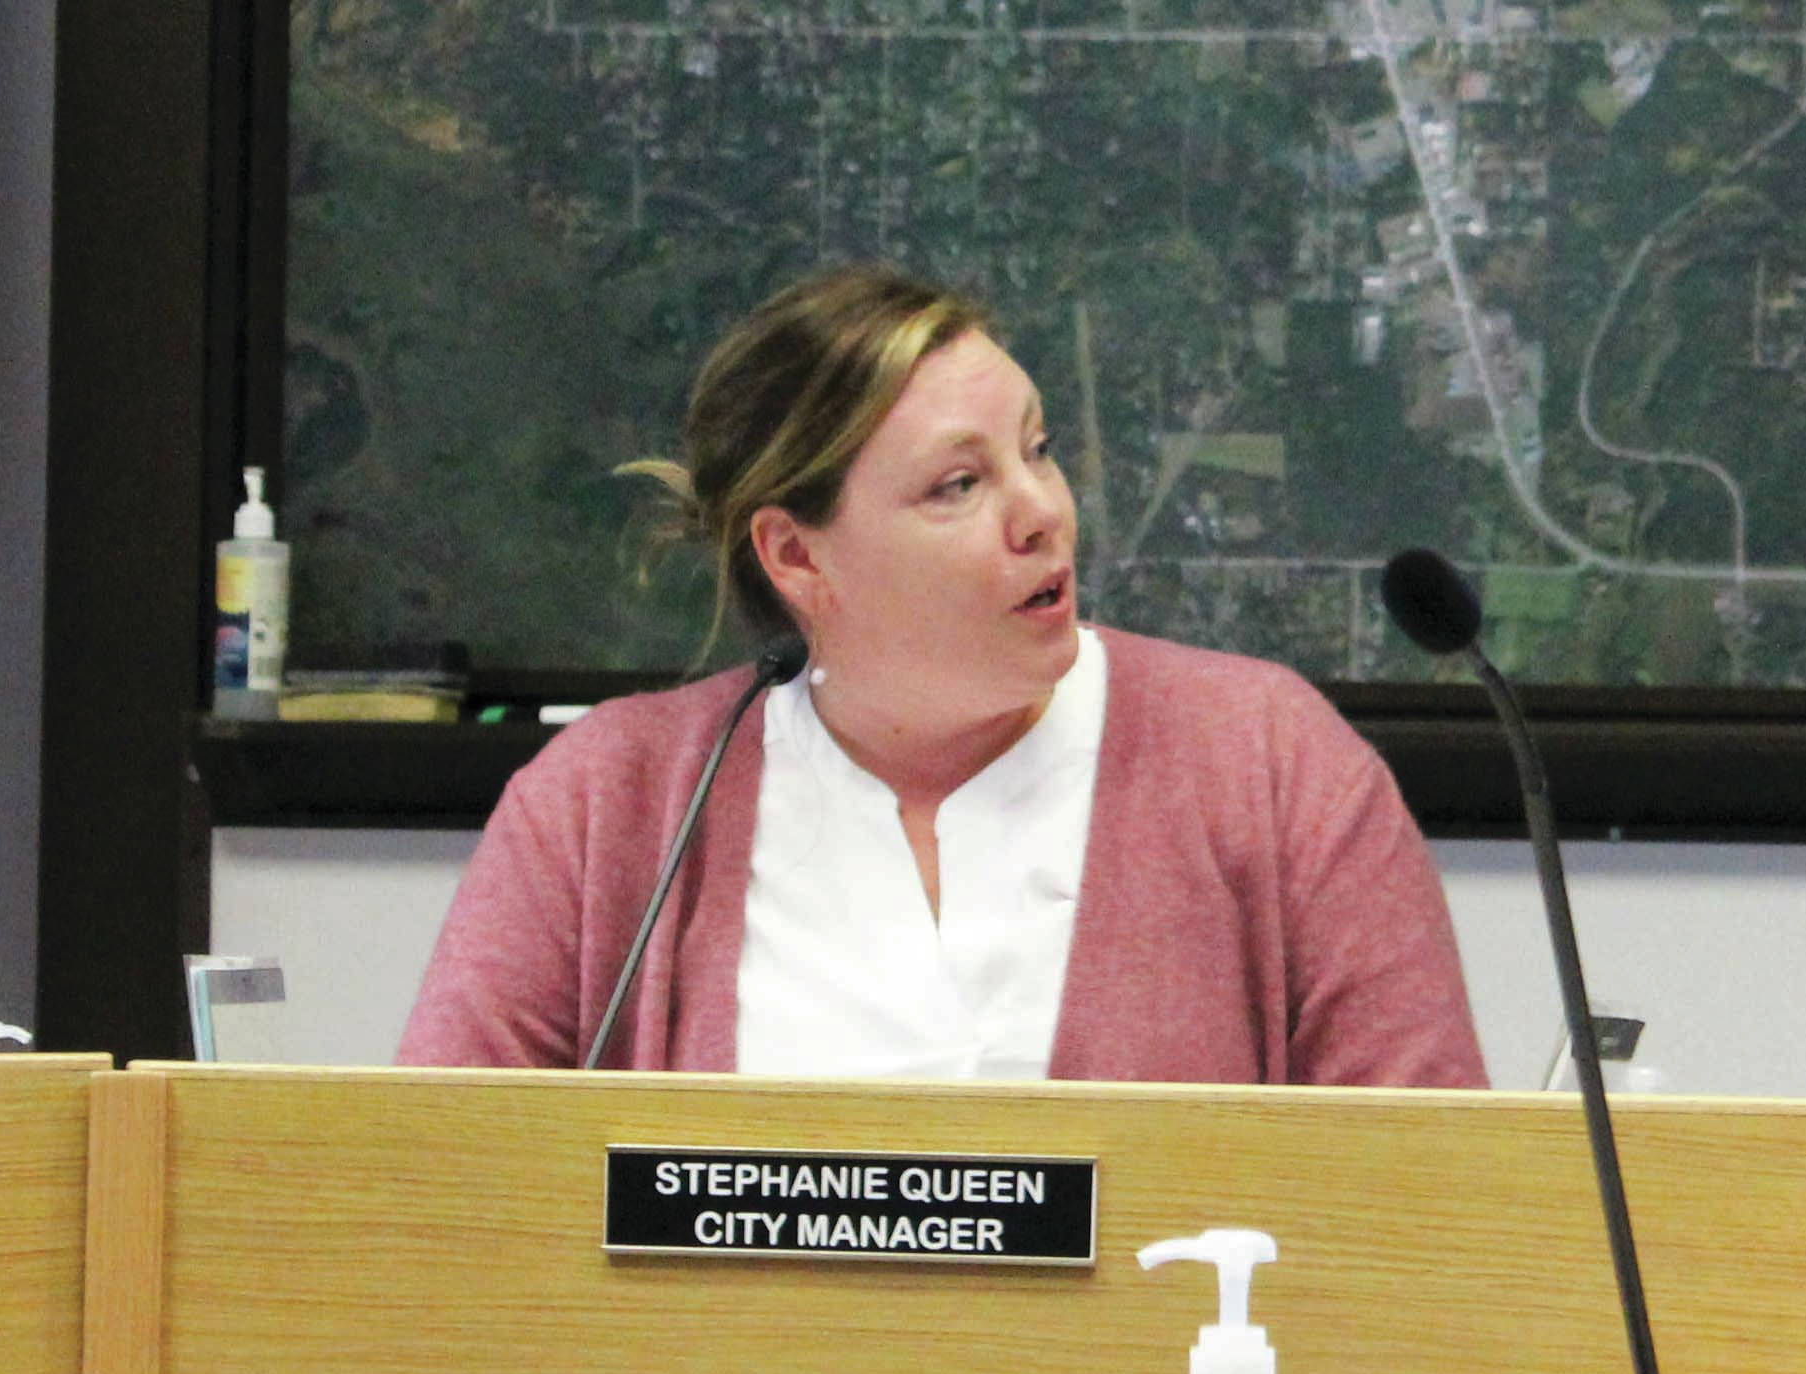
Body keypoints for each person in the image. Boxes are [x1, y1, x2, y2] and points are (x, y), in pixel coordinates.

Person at [398, 264, 1487, 1087]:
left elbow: (1431, 1212)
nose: (1043, 511)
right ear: (798, 555)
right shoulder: (606, 804)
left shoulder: (1271, 762)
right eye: (960, 484)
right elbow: (435, 1202)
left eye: (1040, 447)